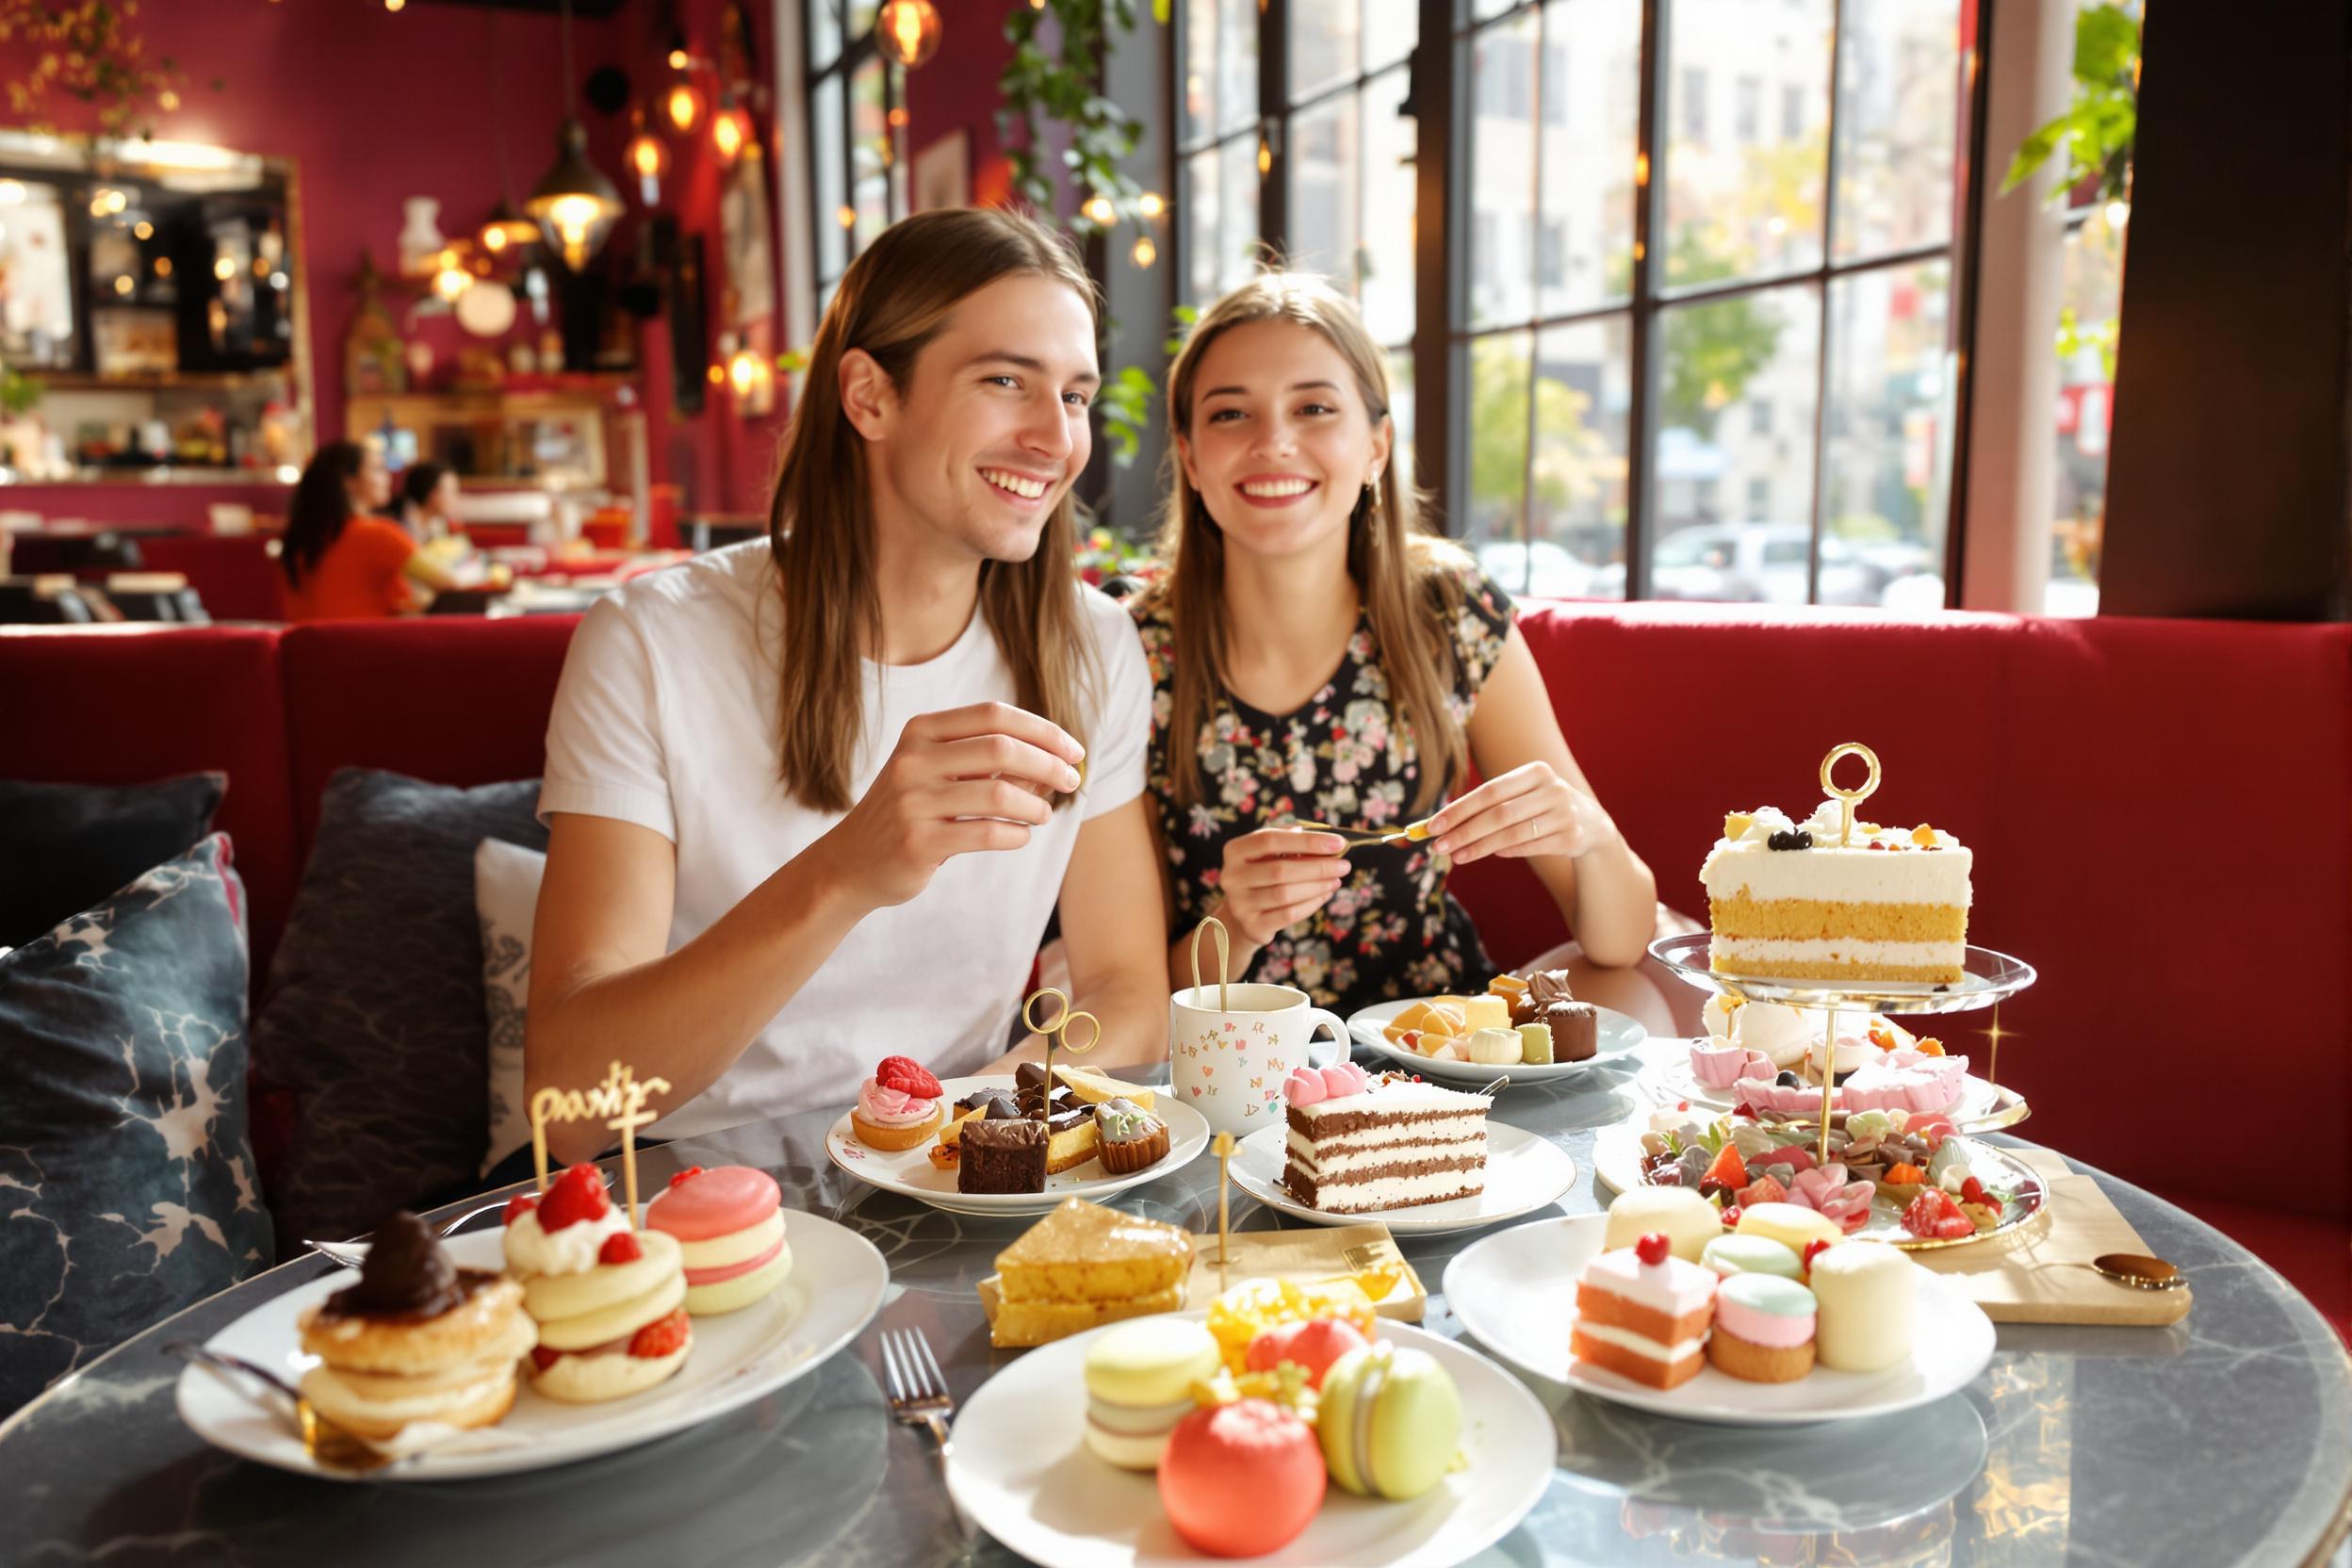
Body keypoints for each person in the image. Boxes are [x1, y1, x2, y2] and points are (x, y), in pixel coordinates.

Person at [527, 208, 1166, 1162]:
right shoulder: (650, 640)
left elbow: (1127, 992)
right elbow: (571, 1097)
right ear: (869, 395)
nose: (1054, 437)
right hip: (693, 1186)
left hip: (955, 1176)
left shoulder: (1093, 646)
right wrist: (844, 871)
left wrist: (963, 1130)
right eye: (1005, 381)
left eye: (1074, 395)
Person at [1131, 272, 1658, 1015]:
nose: (1274, 442)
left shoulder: (1448, 611)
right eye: (1229, 414)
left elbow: (1620, 942)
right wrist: (1234, 925)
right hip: (1231, 1081)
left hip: (1444, 1061)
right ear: (1189, 456)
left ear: (1376, 445)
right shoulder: (1132, 652)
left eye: (1314, 407)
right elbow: (1130, 992)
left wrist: (1589, 833)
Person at [278, 441, 460, 622]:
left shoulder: (300, 537)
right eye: (378, 469)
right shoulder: (377, 533)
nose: (388, 477)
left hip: (309, 647)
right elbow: (450, 583)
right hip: (366, 646)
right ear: (348, 481)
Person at [395, 461, 461, 542]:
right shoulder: (396, 523)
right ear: (430, 492)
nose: (455, 498)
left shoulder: (437, 523)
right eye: (450, 491)